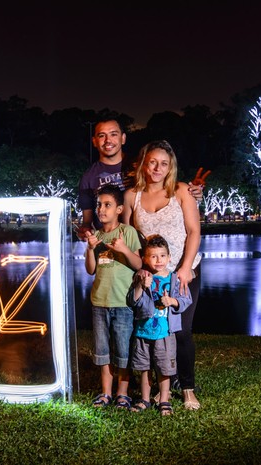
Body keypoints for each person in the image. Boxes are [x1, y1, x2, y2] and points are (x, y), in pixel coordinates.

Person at [122, 139, 203, 410]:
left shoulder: (181, 191)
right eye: (153, 162)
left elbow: (194, 231)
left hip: (182, 272)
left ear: (171, 168)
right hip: (152, 276)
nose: (157, 168)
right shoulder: (132, 196)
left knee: (182, 331)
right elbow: (131, 239)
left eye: (164, 164)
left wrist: (185, 267)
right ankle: (161, 388)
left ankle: (188, 389)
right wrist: (141, 270)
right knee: (156, 331)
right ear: (144, 163)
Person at [83, 183, 143, 409]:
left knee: (123, 349)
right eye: (99, 205)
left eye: (107, 205)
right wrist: (89, 249)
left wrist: (124, 250)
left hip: (122, 302)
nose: (101, 209)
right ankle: (105, 393)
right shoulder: (96, 236)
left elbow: (138, 264)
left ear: (119, 209)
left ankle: (122, 393)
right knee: (102, 350)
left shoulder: (127, 233)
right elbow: (90, 270)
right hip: (99, 301)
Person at [127, 234, 192, 416]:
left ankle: (164, 399)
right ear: (145, 258)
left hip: (165, 332)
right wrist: (140, 285)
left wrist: (172, 301)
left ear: (169, 257)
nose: (158, 260)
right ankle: (145, 399)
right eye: (153, 256)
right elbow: (132, 301)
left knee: (164, 368)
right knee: (144, 367)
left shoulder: (174, 279)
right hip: (143, 331)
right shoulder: (141, 277)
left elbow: (186, 300)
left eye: (162, 256)